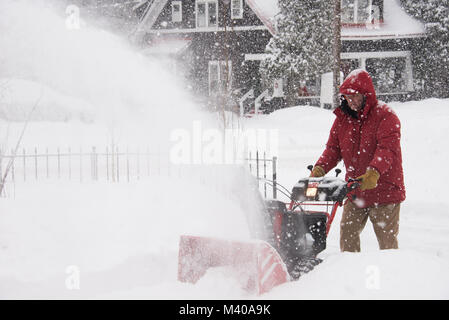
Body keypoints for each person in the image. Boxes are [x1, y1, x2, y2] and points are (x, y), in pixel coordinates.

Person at [310, 69, 406, 252]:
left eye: (355, 96)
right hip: (356, 189)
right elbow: (333, 149)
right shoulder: (342, 119)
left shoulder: (385, 116)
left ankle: (392, 275)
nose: (351, 101)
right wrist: (320, 168)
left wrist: (374, 171)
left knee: (387, 243)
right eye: (347, 96)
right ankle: (349, 271)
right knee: (348, 232)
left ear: (366, 94)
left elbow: (387, 149)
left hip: (384, 190)